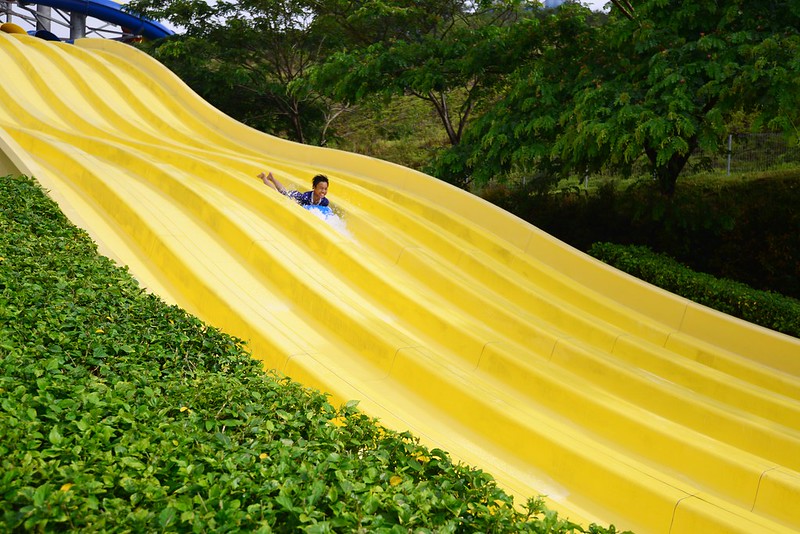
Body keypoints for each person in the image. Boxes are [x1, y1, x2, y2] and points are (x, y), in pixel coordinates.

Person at [258, 171, 330, 207]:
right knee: (278, 192)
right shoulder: (306, 197)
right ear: (314, 187)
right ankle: (264, 177)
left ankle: (271, 178)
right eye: (321, 188)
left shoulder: (325, 202)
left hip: (296, 195)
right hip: (293, 196)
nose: (323, 191)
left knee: (283, 190)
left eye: (325, 189)